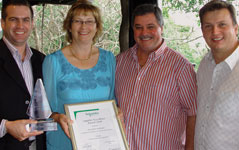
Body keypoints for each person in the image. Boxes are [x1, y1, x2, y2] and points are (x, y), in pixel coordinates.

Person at [115, 4, 197, 150]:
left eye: (150, 26)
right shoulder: (119, 62)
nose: (144, 32)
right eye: (138, 27)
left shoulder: (180, 66)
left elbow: (193, 114)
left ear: (162, 28)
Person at [42, 0, 115, 149]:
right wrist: (56, 117)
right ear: (69, 25)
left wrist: (117, 112)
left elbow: (112, 99)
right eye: (78, 21)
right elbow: (45, 112)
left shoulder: (109, 59)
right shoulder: (53, 62)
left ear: (97, 26)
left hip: (101, 143)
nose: (84, 27)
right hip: (64, 142)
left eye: (89, 21)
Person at [0, 0, 46, 150]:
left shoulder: (41, 60)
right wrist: (5, 126)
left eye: (25, 20)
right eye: (13, 19)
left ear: (32, 23)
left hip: (39, 145)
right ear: (2, 23)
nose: (20, 26)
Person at [194, 1, 239, 150]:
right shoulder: (204, 66)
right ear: (202, 31)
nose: (215, 32)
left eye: (222, 25)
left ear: (235, 28)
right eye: (208, 26)